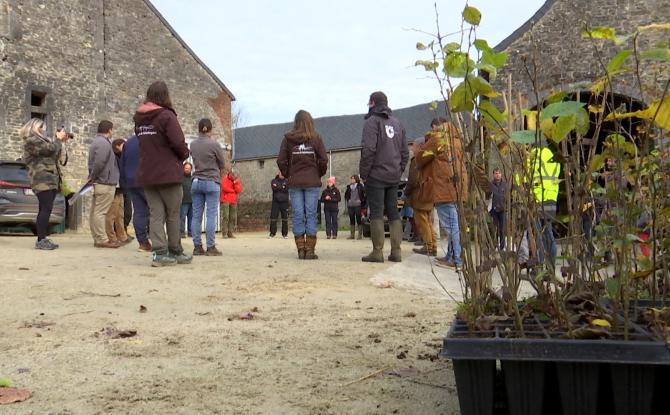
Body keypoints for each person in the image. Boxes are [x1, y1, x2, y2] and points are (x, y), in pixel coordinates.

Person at [134, 80, 191, 267]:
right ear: (165, 95)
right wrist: (185, 155)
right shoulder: (167, 116)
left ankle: (159, 254)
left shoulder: (139, 119)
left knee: (156, 214)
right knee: (173, 214)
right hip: (167, 173)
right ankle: (175, 250)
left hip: (147, 174)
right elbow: (178, 142)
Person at [359, 91, 408, 263]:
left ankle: (377, 252)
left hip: (376, 175)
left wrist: (364, 174)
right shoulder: (397, 123)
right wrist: (398, 170)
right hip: (393, 176)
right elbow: (405, 153)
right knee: (394, 212)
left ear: (372, 103)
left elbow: (368, 150)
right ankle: (396, 252)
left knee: (377, 213)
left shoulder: (372, 122)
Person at [277, 109, 328, 260]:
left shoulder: (288, 139)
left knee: (298, 214)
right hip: (312, 182)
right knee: (311, 214)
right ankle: (310, 250)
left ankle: (300, 250)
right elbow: (324, 160)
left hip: (295, 182)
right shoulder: (316, 138)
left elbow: (281, 160)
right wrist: (318, 173)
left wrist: (288, 174)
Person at [423, 118, 469, 270]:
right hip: (458, 187)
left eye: (433, 128)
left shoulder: (438, 138)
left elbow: (422, 156)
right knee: (454, 224)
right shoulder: (457, 139)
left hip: (445, 187)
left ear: (435, 126)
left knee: (452, 226)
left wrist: (426, 141)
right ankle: (451, 255)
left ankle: (457, 260)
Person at [20, 118, 69, 250]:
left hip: (50, 178)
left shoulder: (42, 141)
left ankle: (42, 238)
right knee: (45, 208)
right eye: (42, 127)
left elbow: (54, 155)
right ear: (35, 127)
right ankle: (41, 240)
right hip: (41, 179)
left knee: (45, 208)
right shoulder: (31, 140)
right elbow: (49, 150)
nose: (44, 129)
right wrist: (58, 139)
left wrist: (61, 142)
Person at [190, 118, 226, 256]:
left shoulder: (192, 144)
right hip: (211, 181)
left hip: (196, 180)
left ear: (199, 129)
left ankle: (197, 246)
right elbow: (222, 163)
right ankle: (211, 247)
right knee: (211, 215)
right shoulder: (214, 144)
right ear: (210, 129)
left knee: (196, 216)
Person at [88, 120, 121, 249]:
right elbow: (99, 162)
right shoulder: (103, 143)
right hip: (104, 182)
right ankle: (102, 238)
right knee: (100, 212)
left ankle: (98, 237)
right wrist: (93, 176)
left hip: (100, 181)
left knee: (96, 211)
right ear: (109, 130)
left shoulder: (97, 142)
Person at [120, 134, 151, 251]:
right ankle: (158, 241)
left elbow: (122, 164)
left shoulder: (128, 143)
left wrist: (125, 181)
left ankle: (143, 242)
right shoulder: (150, 140)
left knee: (139, 212)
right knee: (156, 210)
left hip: (131, 180)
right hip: (147, 179)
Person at [104, 138, 133, 246]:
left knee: (120, 214)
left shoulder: (122, 157)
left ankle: (122, 235)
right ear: (117, 146)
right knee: (112, 214)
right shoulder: (114, 157)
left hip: (122, 187)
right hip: (116, 187)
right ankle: (111, 236)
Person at [220, 170, 242, 238]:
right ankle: (224, 233)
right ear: (230, 174)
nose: (234, 177)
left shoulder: (236, 180)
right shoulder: (225, 179)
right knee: (226, 216)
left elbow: (239, 190)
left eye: (235, 176)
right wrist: (233, 191)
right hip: (225, 200)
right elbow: (225, 188)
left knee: (232, 217)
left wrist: (235, 183)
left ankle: (230, 233)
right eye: (233, 175)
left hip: (233, 201)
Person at [489, 167, 508, 251]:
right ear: (493, 175)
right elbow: (487, 197)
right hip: (494, 210)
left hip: (503, 209)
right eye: (496, 173)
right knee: (495, 228)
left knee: (502, 229)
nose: (497, 175)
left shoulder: (505, 184)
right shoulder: (490, 185)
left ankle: (502, 247)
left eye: (499, 173)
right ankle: (495, 245)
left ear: (501, 174)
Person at [344, 175, 366, 240]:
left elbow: (364, 194)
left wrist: (361, 200)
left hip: (358, 205)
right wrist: (349, 200)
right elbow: (346, 195)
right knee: (352, 220)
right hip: (350, 205)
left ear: (356, 179)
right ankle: (352, 235)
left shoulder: (360, 186)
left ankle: (359, 235)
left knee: (359, 219)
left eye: (353, 179)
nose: (352, 180)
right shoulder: (349, 187)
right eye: (351, 179)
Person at [269, 172, 289, 238]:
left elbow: (287, 189)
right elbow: (274, 188)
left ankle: (284, 234)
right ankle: (272, 233)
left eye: (283, 173)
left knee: (285, 218)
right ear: (278, 173)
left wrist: (279, 187)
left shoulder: (287, 181)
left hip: (284, 202)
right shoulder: (273, 181)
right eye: (281, 173)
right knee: (273, 218)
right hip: (275, 202)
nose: (282, 174)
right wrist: (282, 187)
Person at [180, 162, 193, 238]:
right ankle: (181, 233)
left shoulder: (193, 178)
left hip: (192, 201)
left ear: (191, 169)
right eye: (186, 168)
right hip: (183, 201)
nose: (187, 170)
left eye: (189, 168)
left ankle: (190, 232)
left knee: (191, 218)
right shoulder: (180, 178)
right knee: (182, 217)